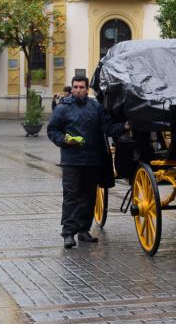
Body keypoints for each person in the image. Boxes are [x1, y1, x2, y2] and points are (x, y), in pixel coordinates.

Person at [47, 76, 128, 249]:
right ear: (72, 88)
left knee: (89, 197)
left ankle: (83, 230)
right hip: (71, 161)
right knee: (71, 196)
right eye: (75, 87)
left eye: (81, 87)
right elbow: (52, 130)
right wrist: (64, 140)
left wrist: (125, 127)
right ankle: (68, 233)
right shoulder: (62, 108)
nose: (78, 90)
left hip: (92, 160)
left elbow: (108, 128)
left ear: (86, 89)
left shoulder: (95, 107)